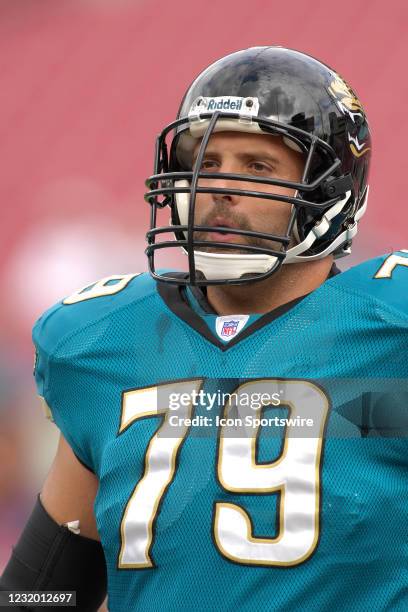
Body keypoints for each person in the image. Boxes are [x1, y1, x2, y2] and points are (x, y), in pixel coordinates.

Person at [1, 46, 407, 611]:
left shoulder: (390, 338)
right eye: (206, 163)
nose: (219, 188)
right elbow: (42, 593)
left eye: (257, 167)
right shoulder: (107, 343)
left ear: (329, 191)